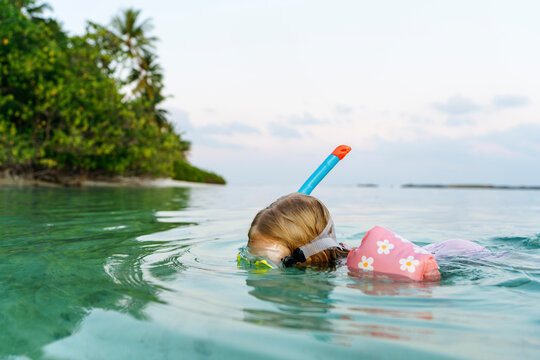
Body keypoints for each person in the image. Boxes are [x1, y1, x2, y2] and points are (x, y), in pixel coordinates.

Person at [246, 193, 489, 281]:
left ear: (304, 255)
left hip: (460, 255)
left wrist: (429, 278)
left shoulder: (353, 271)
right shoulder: (317, 262)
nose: (261, 267)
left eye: (270, 261)